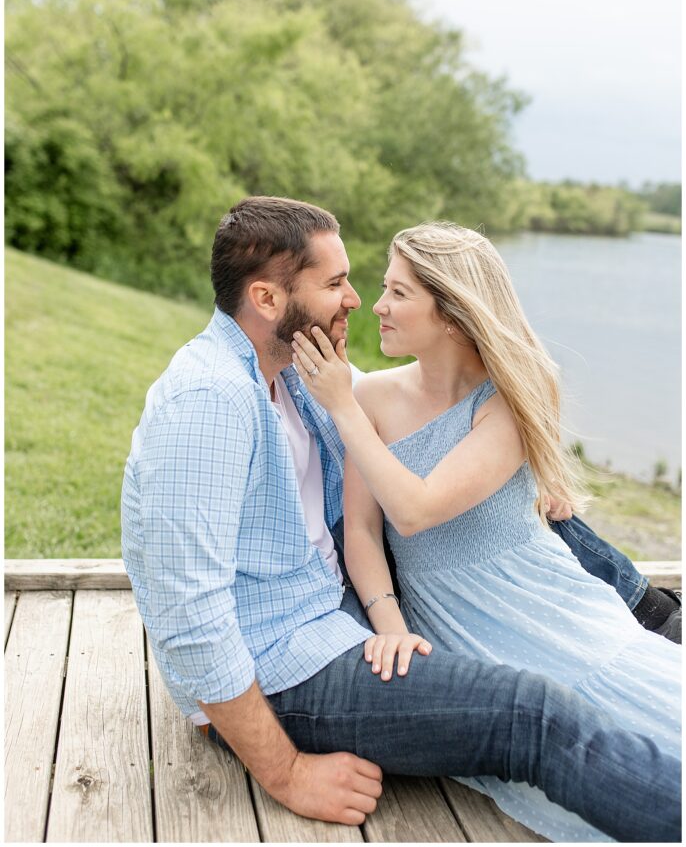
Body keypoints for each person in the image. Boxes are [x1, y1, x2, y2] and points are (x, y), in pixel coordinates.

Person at [121, 197, 681, 842]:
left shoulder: (296, 371)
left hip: (336, 614)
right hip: (282, 665)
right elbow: (186, 614)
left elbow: (419, 416)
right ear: (268, 299)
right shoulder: (208, 403)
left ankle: (648, 611)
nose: (357, 300)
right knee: (529, 711)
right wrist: (287, 772)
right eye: (335, 284)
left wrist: (536, 473)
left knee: (535, 534)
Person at [290, 219, 681, 841]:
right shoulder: (374, 400)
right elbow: (363, 534)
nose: (378, 306)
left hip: (542, 604)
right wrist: (392, 629)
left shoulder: (511, 394)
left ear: (451, 313)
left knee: (653, 719)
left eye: (398, 293)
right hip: (451, 619)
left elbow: (416, 510)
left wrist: (341, 403)